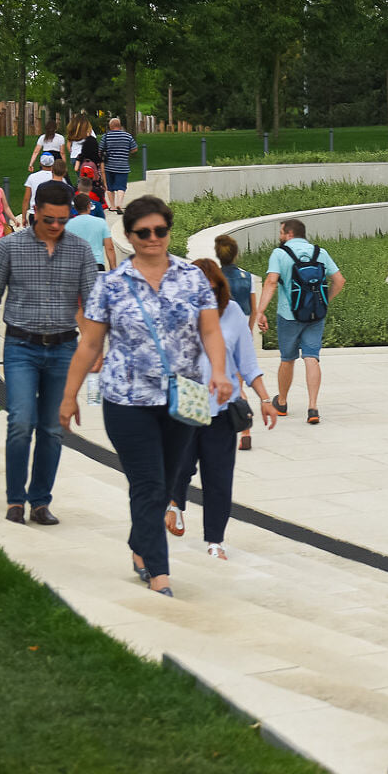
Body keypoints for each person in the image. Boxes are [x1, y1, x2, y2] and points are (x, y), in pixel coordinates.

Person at [59, 196, 230, 598]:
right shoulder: (111, 285)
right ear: (130, 236)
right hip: (128, 401)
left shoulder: (192, 278)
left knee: (168, 483)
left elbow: (210, 332)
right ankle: (159, 572)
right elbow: (89, 346)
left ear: (169, 232)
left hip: (181, 397)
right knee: (149, 484)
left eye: (160, 231)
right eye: (143, 232)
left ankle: (140, 543)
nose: (153, 238)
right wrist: (69, 397)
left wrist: (219, 372)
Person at [0, 179, 98, 526]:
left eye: (63, 220)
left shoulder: (79, 250)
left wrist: (96, 347)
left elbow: (93, 305)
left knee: (52, 427)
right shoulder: (10, 248)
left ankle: (40, 502)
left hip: (64, 349)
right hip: (20, 347)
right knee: (21, 422)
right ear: (35, 214)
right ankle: (15, 500)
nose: (57, 226)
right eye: (50, 220)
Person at [166, 259, 276, 558]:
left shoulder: (233, 314)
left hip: (223, 408)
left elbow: (247, 362)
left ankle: (215, 541)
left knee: (218, 479)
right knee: (181, 466)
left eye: (212, 290)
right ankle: (175, 504)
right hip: (188, 403)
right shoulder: (178, 312)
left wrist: (265, 400)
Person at [252, 217, 344, 426]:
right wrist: (324, 301)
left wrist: (261, 311)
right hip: (315, 315)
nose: (280, 236)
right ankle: (312, 407)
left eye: (282, 232)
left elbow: (271, 281)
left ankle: (282, 403)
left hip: (289, 315)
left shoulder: (280, 253)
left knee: (288, 358)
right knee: (312, 357)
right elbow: (339, 280)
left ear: (289, 234)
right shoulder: (320, 252)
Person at [213, 234, 257, 449]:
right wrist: (247, 332)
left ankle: (233, 423)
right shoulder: (247, 276)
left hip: (220, 335)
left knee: (230, 383)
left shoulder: (215, 279)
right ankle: (245, 429)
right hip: (242, 333)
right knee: (238, 381)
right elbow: (253, 308)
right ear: (236, 254)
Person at [64, 188, 117, 271]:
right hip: (96, 263)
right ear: (89, 206)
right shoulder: (100, 222)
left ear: (75, 208)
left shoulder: (67, 225)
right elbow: (109, 247)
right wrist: (113, 269)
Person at [99, 117, 138, 213]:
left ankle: (112, 206)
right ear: (119, 126)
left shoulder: (106, 136)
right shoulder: (127, 136)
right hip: (123, 166)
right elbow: (135, 149)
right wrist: (126, 151)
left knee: (109, 187)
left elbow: (100, 150)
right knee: (121, 187)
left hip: (109, 166)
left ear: (110, 126)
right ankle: (119, 204)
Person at [21, 150, 63, 224]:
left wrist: (24, 217)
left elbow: (26, 199)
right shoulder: (58, 178)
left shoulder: (32, 177)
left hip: (35, 213)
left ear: (40, 163)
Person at [67, 116, 100, 183]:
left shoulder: (73, 131)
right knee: (88, 177)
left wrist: (71, 151)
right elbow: (93, 142)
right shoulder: (89, 131)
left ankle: (80, 190)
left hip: (74, 156)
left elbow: (68, 144)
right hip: (86, 156)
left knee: (80, 176)